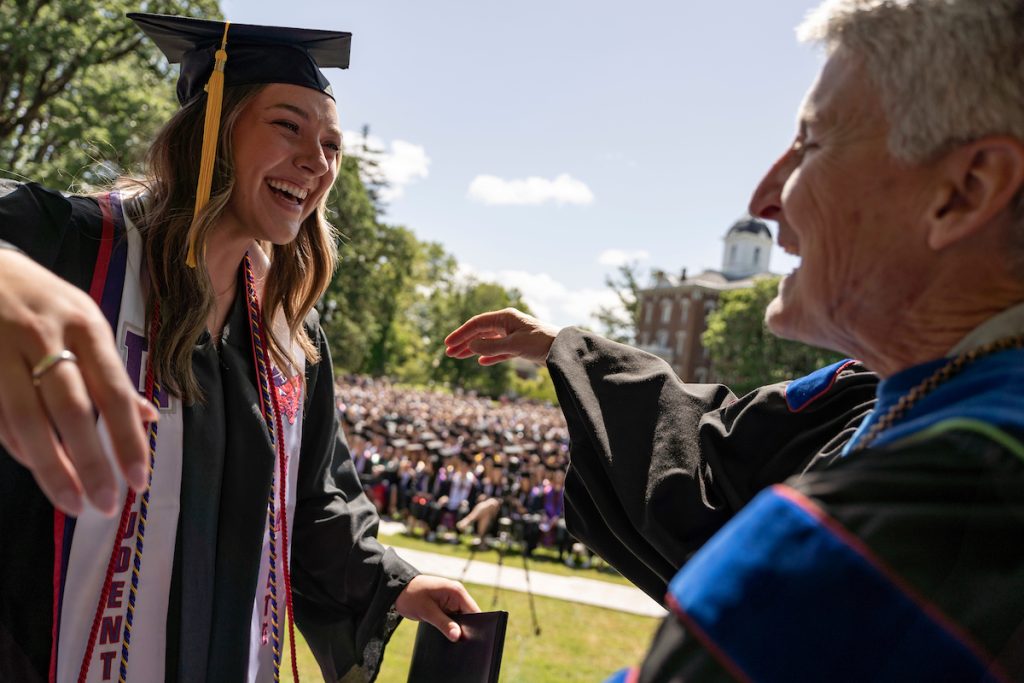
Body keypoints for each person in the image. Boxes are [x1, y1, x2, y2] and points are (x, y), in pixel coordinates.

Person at [445, 0, 1024, 679]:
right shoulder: (917, 394)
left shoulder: (924, 509)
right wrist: (564, 351)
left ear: (965, 189)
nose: (765, 196)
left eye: (810, 144)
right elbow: (720, 452)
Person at [0, 13, 477, 683]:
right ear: (214, 132)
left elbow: (315, 501)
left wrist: (396, 580)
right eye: (288, 126)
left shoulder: (288, 339)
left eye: (332, 144)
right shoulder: (75, 249)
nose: (317, 161)